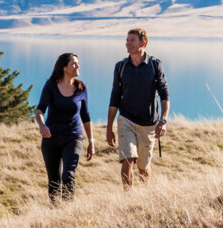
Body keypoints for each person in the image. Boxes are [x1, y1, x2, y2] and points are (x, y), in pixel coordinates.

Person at [106, 28, 169, 189]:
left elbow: (164, 94)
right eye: (127, 40)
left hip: (149, 123)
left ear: (143, 43)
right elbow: (115, 97)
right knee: (127, 160)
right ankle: (128, 198)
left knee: (143, 167)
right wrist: (109, 128)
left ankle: (144, 195)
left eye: (132, 40)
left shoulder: (155, 65)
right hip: (126, 119)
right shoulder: (121, 66)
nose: (128, 44)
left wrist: (163, 120)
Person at [35, 53, 95, 205]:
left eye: (77, 63)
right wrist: (42, 125)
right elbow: (40, 110)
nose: (77, 66)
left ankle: (68, 209)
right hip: (51, 138)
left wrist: (91, 141)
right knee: (54, 180)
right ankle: (55, 211)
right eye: (73, 63)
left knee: (68, 174)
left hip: (73, 137)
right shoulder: (51, 85)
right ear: (64, 67)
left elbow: (86, 116)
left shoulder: (81, 87)